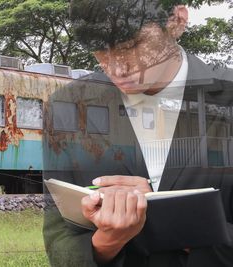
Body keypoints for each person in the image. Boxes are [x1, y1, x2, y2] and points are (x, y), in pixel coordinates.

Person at [43, 0, 233, 266]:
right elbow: (58, 242)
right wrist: (108, 241)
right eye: (100, 51)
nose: (116, 69)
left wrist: (165, 218)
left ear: (177, 21)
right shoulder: (69, 105)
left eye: (132, 46)